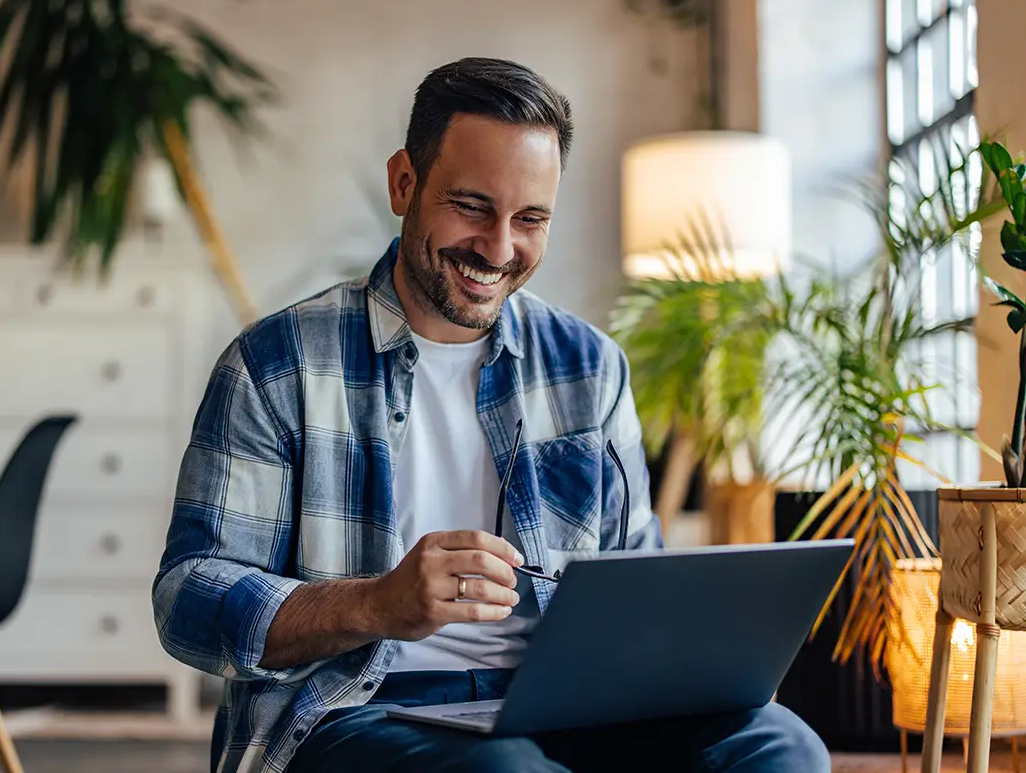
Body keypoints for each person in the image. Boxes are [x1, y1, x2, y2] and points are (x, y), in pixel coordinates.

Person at [152, 56, 829, 773]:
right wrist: (378, 604)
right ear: (404, 183)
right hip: (353, 709)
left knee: (780, 746)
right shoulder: (276, 364)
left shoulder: (590, 367)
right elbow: (188, 597)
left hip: (566, 706)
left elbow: (635, 580)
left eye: (530, 218)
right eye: (472, 206)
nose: (499, 249)